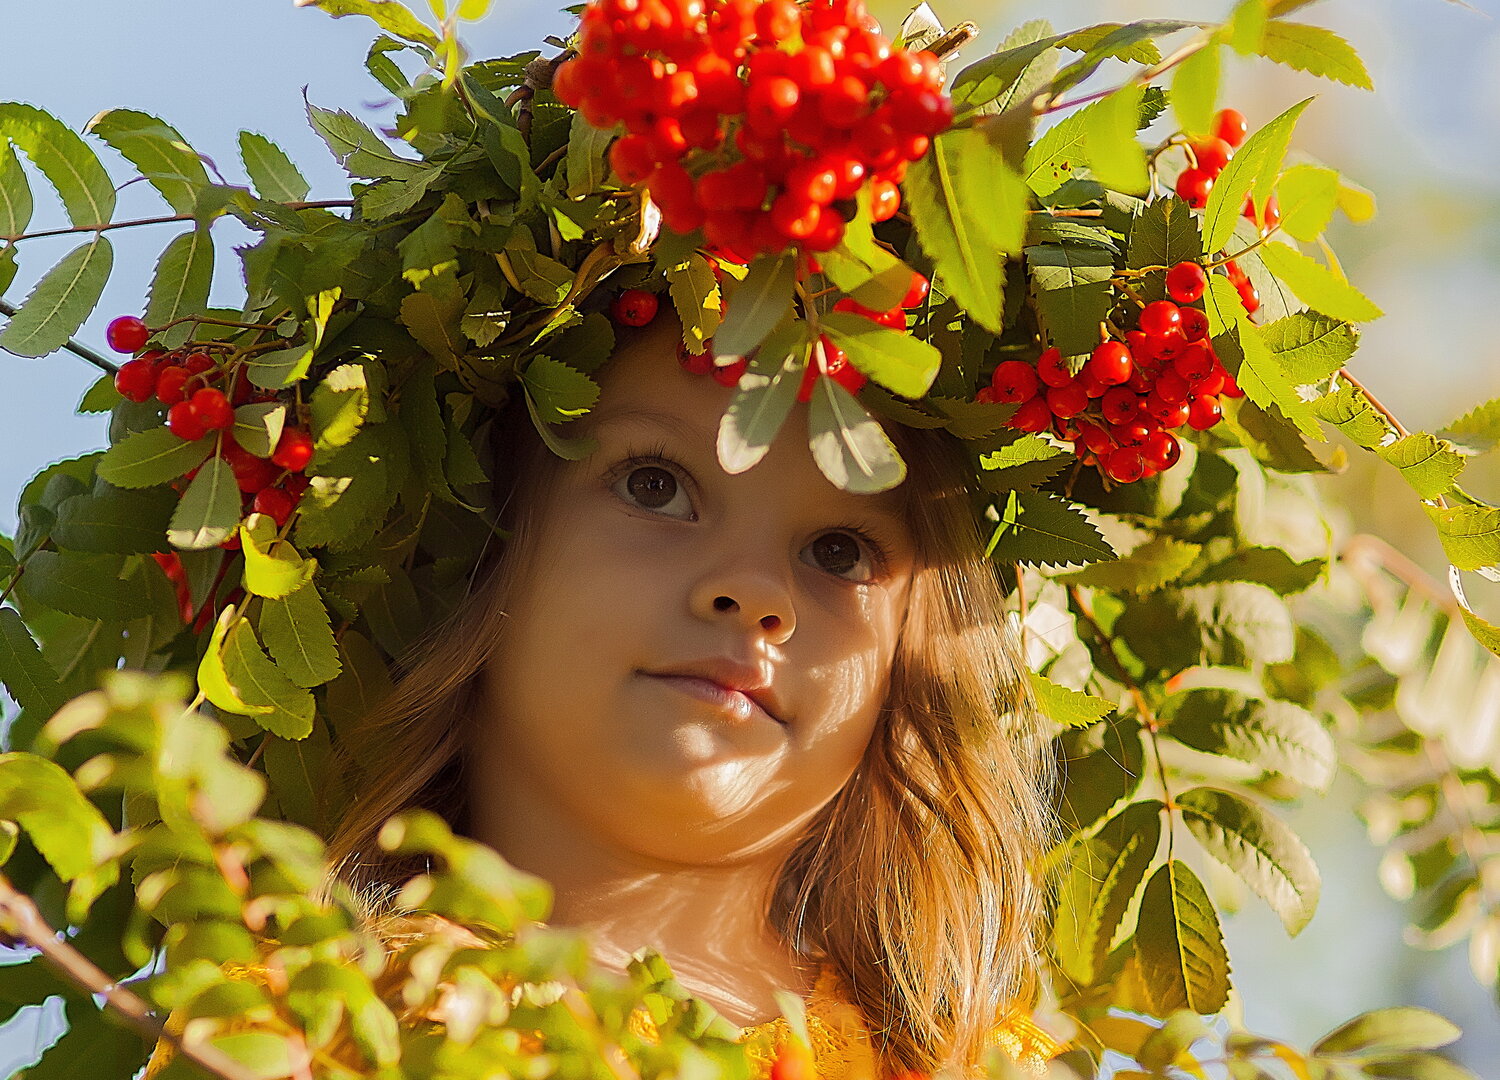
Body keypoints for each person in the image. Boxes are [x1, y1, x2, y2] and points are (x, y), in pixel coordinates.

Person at [143, 305, 1062, 1079]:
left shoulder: (972, 1063)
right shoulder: (296, 1031)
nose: (757, 592)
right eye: (656, 485)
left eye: (839, 552)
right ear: (476, 552)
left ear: (913, 665)